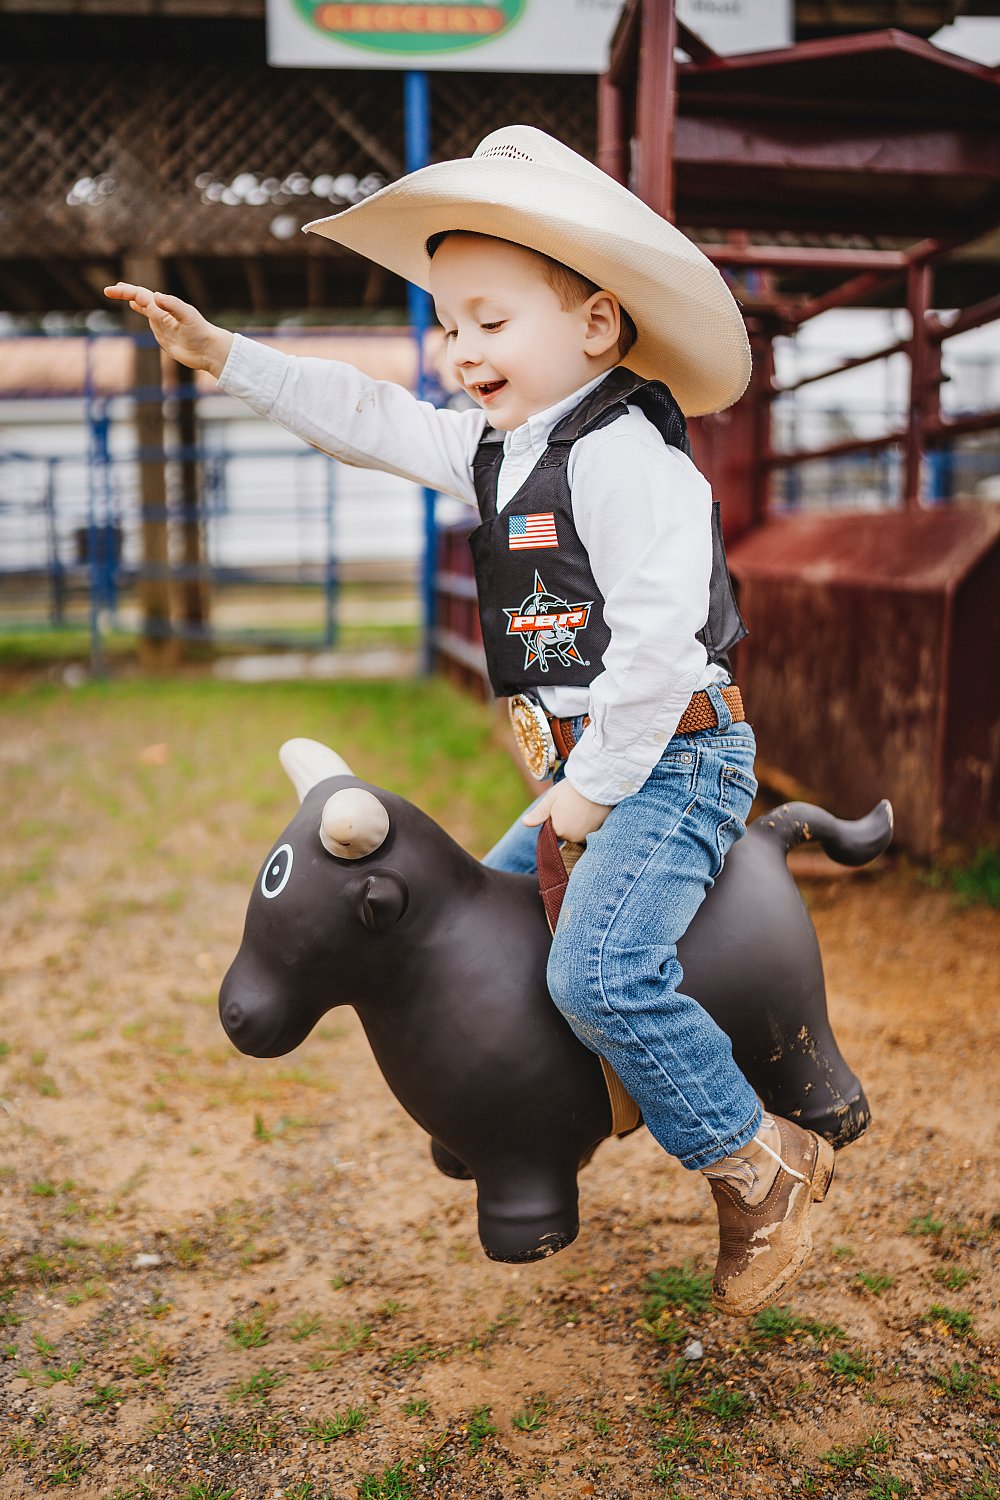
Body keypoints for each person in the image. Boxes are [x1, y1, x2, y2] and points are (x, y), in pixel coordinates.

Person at [105, 124, 834, 1316]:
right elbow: (372, 417)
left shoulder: (623, 456)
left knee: (597, 968)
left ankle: (757, 1164)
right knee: (472, 927)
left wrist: (592, 791)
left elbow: (656, 643)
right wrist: (224, 354)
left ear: (595, 325)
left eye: (490, 321)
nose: (460, 349)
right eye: (450, 324)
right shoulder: (503, 453)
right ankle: (517, 1116)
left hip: (674, 762)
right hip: (590, 772)